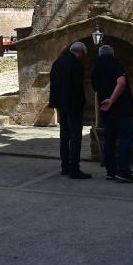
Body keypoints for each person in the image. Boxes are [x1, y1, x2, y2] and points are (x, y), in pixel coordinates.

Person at [92, 44, 133, 183]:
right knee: (126, 138)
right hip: (121, 108)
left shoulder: (95, 69)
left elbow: (95, 89)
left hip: (106, 111)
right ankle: (123, 171)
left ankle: (111, 172)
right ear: (112, 54)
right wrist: (111, 100)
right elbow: (121, 83)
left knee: (109, 141)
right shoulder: (116, 64)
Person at [48, 42, 89, 179]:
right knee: (76, 136)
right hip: (73, 105)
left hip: (61, 104)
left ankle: (65, 167)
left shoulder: (58, 62)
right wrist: (82, 102)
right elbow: (78, 87)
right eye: (83, 54)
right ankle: (74, 169)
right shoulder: (76, 64)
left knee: (64, 135)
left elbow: (53, 82)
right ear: (80, 52)